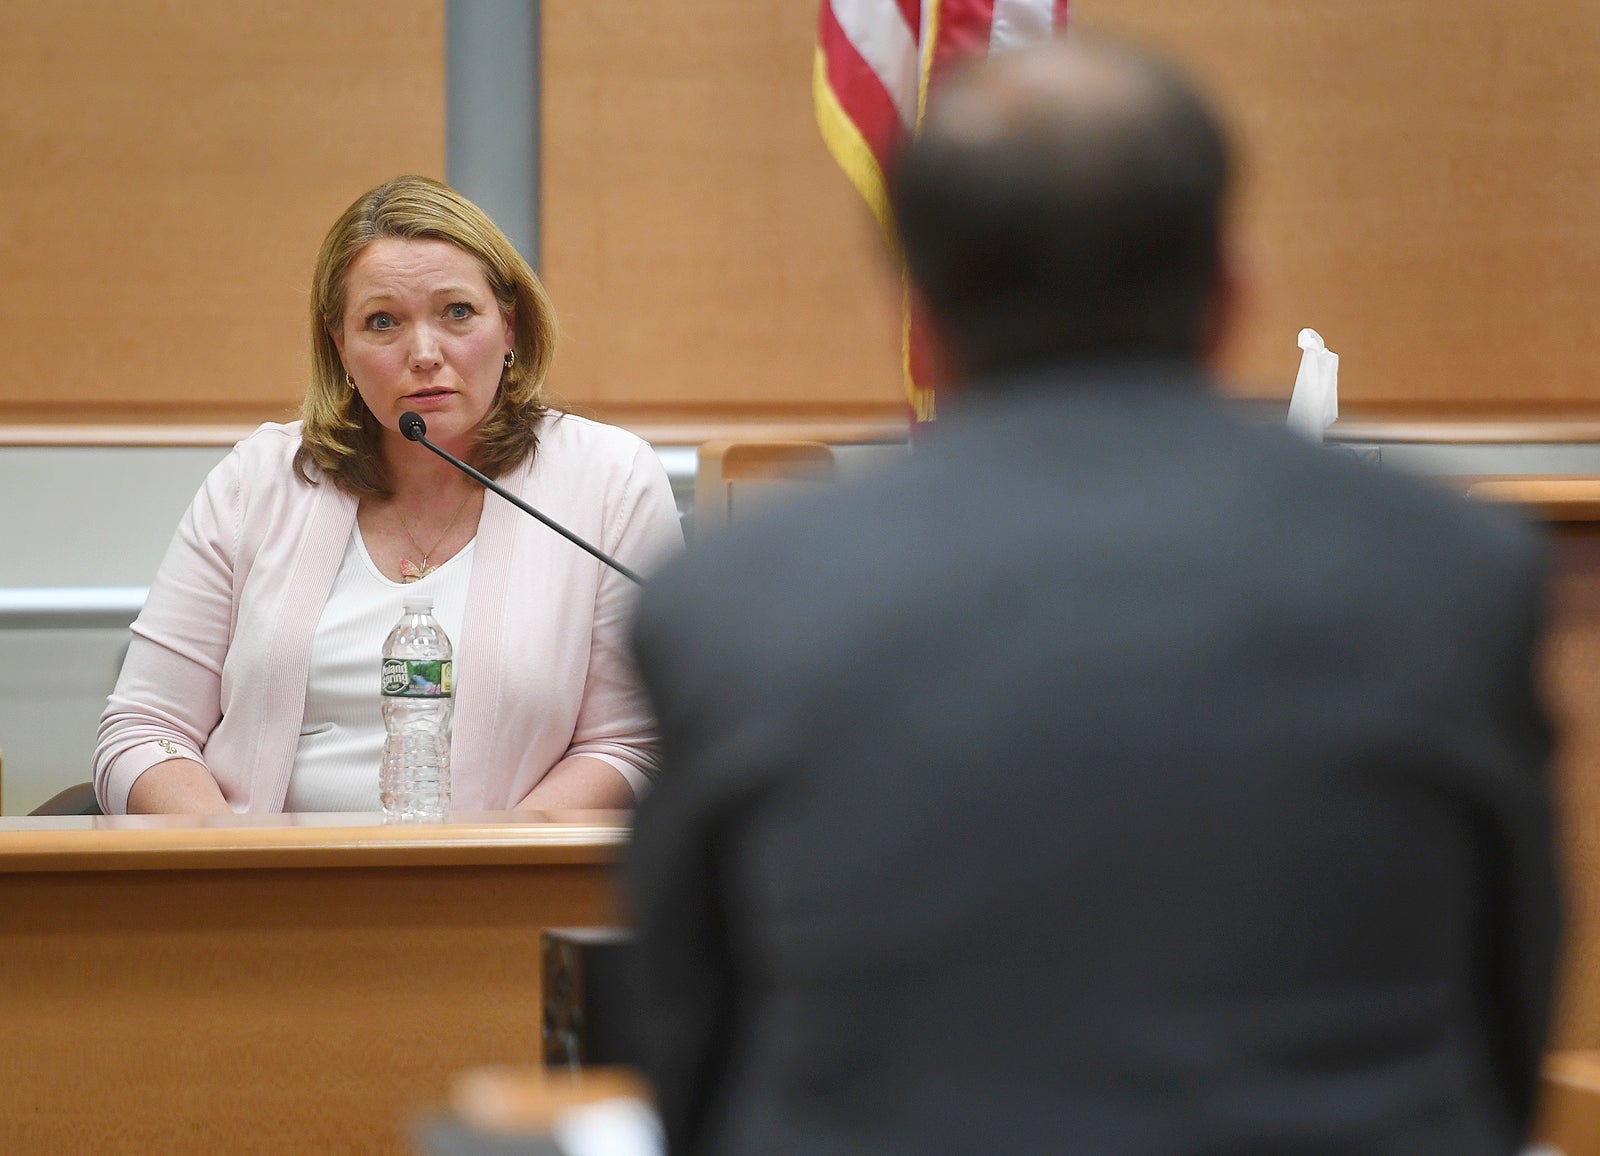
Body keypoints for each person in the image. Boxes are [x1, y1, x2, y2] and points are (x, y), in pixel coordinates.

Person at [626, 39, 1561, 1156]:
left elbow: (693, 1054)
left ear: (919, 315)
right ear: (1230, 293)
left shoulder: (734, 600)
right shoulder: (1450, 570)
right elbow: (1506, 1029)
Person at [94, 175, 682, 814]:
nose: (426, 353)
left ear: (510, 327)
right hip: (262, 896)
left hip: (502, 898)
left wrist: (489, 872)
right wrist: (235, 868)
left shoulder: (608, 480)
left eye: (458, 313)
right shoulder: (260, 479)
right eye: (382, 322)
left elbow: (631, 743)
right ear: (340, 345)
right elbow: (144, 729)